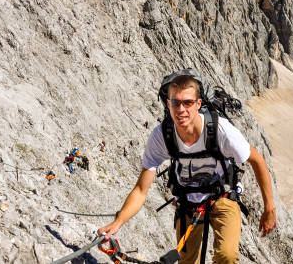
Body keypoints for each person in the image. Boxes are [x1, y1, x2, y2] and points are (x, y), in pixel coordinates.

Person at [98, 73, 276, 263]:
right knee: (186, 260)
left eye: (188, 103)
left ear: (198, 104)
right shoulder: (162, 136)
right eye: (175, 103)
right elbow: (141, 190)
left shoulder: (219, 130)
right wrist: (118, 222)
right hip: (187, 201)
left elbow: (257, 160)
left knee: (227, 255)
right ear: (168, 104)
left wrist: (270, 207)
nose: (181, 109)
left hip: (222, 196)